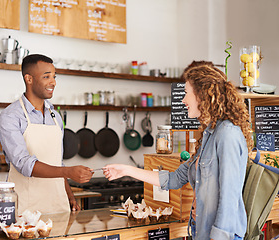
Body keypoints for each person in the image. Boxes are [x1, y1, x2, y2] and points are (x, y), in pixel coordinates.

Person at [103, 64, 253, 240]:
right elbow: (174, 179)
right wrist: (126, 170)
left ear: (203, 95)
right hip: (202, 231)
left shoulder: (227, 134)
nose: (183, 100)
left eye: (186, 93)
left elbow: (229, 196)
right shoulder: (208, 135)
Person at [0, 54, 93, 214]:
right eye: (46, 76)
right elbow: (23, 163)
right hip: (26, 208)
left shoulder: (54, 115)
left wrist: (69, 195)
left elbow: (57, 162)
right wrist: (68, 172)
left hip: (58, 205)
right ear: (29, 79)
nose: (53, 82)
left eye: (54, 77)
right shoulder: (10, 116)